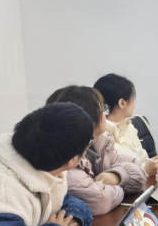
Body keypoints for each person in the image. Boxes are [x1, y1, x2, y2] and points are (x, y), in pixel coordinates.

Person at [46, 86, 147, 215]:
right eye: (102, 109)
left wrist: (117, 176)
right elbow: (102, 200)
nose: (106, 114)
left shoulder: (101, 143)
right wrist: (119, 185)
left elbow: (139, 172)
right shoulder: (67, 161)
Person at [93, 74, 158, 176]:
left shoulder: (128, 126)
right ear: (122, 103)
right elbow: (113, 176)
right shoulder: (100, 137)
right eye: (133, 98)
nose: (134, 103)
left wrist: (152, 165)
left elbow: (143, 158)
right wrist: (145, 171)